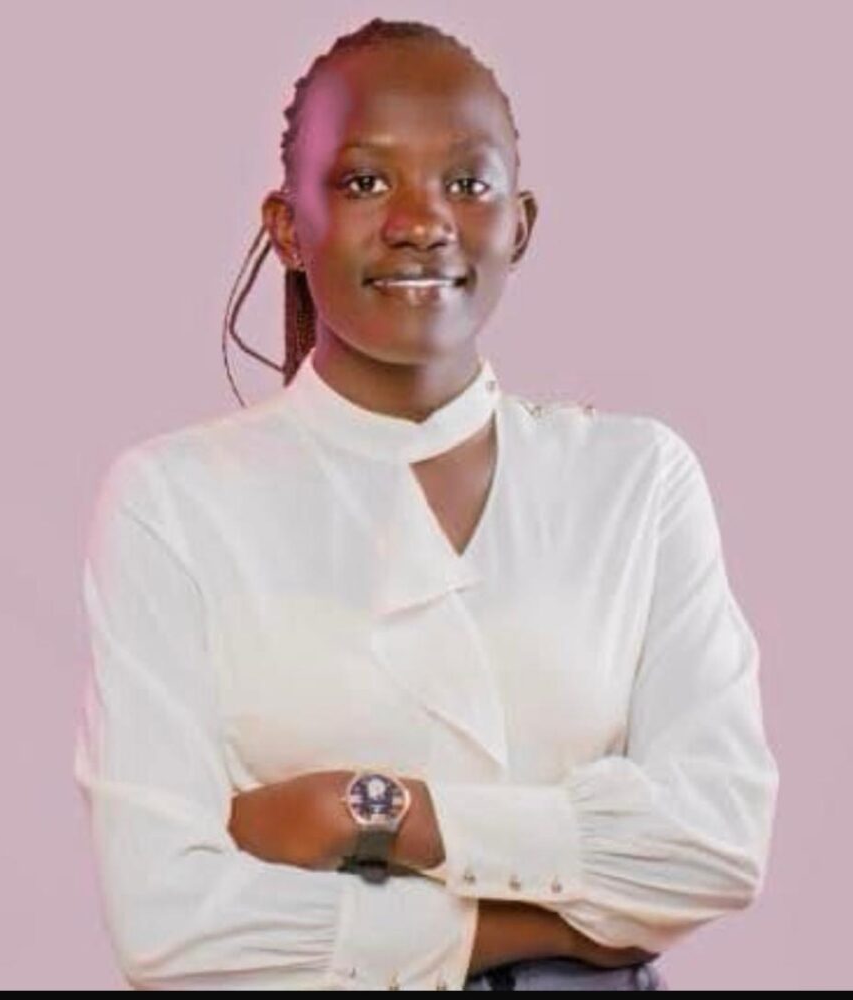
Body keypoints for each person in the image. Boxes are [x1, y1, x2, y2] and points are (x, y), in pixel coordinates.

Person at [73, 17, 779, 991]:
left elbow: (718, 842)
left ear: (520, 225)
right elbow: (165, 925)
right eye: (366, 181)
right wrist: (548, 923)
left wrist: (377, 813)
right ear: (287, 226)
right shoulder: (175, 501)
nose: (421, 220)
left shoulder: (636, 481)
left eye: (467, 183)